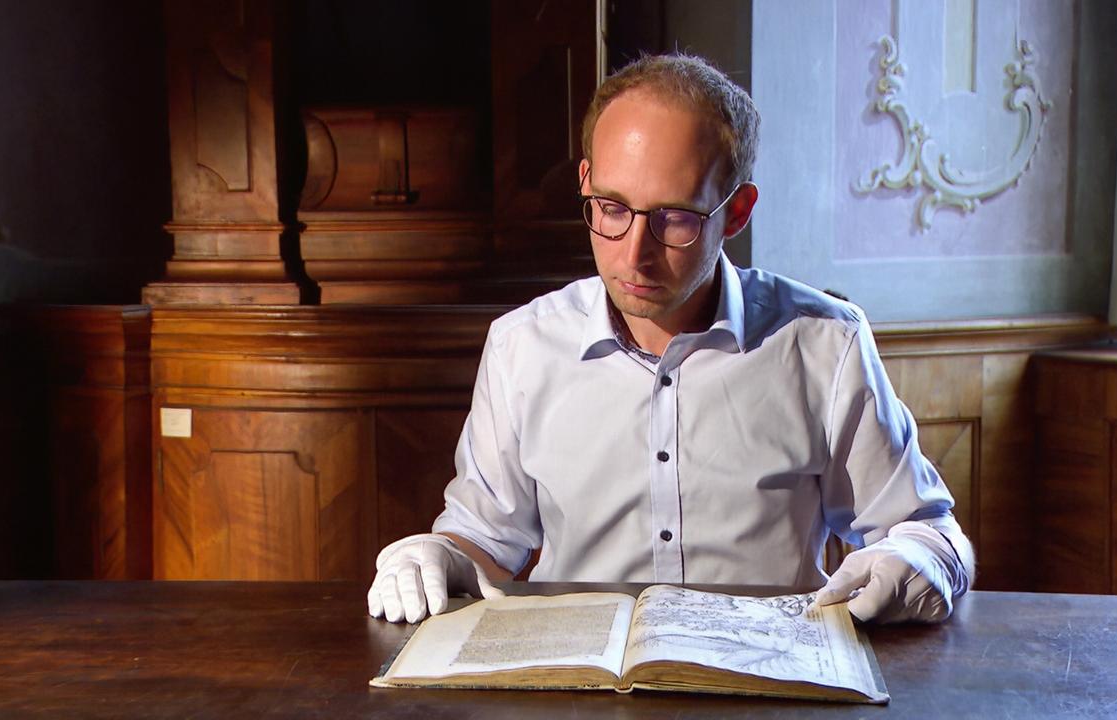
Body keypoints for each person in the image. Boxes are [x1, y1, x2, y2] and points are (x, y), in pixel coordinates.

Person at [367, 53, 974, 625]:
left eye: (675, 218)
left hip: (770, 683)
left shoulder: (823, 345)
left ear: (736, 213)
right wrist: (437, 553)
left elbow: (926, 529)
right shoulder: (521, 345)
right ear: (585, 182)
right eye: (611, 207)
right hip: (579, 685)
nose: (635, 253)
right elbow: (485, 536)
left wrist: (925, 559)